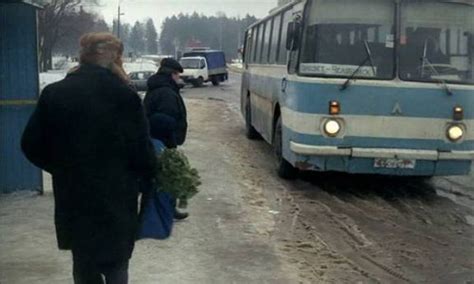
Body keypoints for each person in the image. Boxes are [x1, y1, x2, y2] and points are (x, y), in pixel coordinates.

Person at [21, 32, 156, 284]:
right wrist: (148, 179)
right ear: (113, 56)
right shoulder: (124, 95)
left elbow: (30, 144)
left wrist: (61, 168)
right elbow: (141, 150)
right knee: (117, 262)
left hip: (74, 194)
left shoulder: (55, 93)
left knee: (83, 262)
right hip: (117, 193)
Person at [143, 58, 189, 220]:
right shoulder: (166, 92)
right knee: (165, 176)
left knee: (160, 175)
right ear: (171, 74)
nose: (179, 78)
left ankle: (164, 209)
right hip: (163, 139)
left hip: (156, 138)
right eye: (177, 75)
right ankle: (164, 211)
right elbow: (164, 117)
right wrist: (172, 129)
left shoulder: (157, 88)